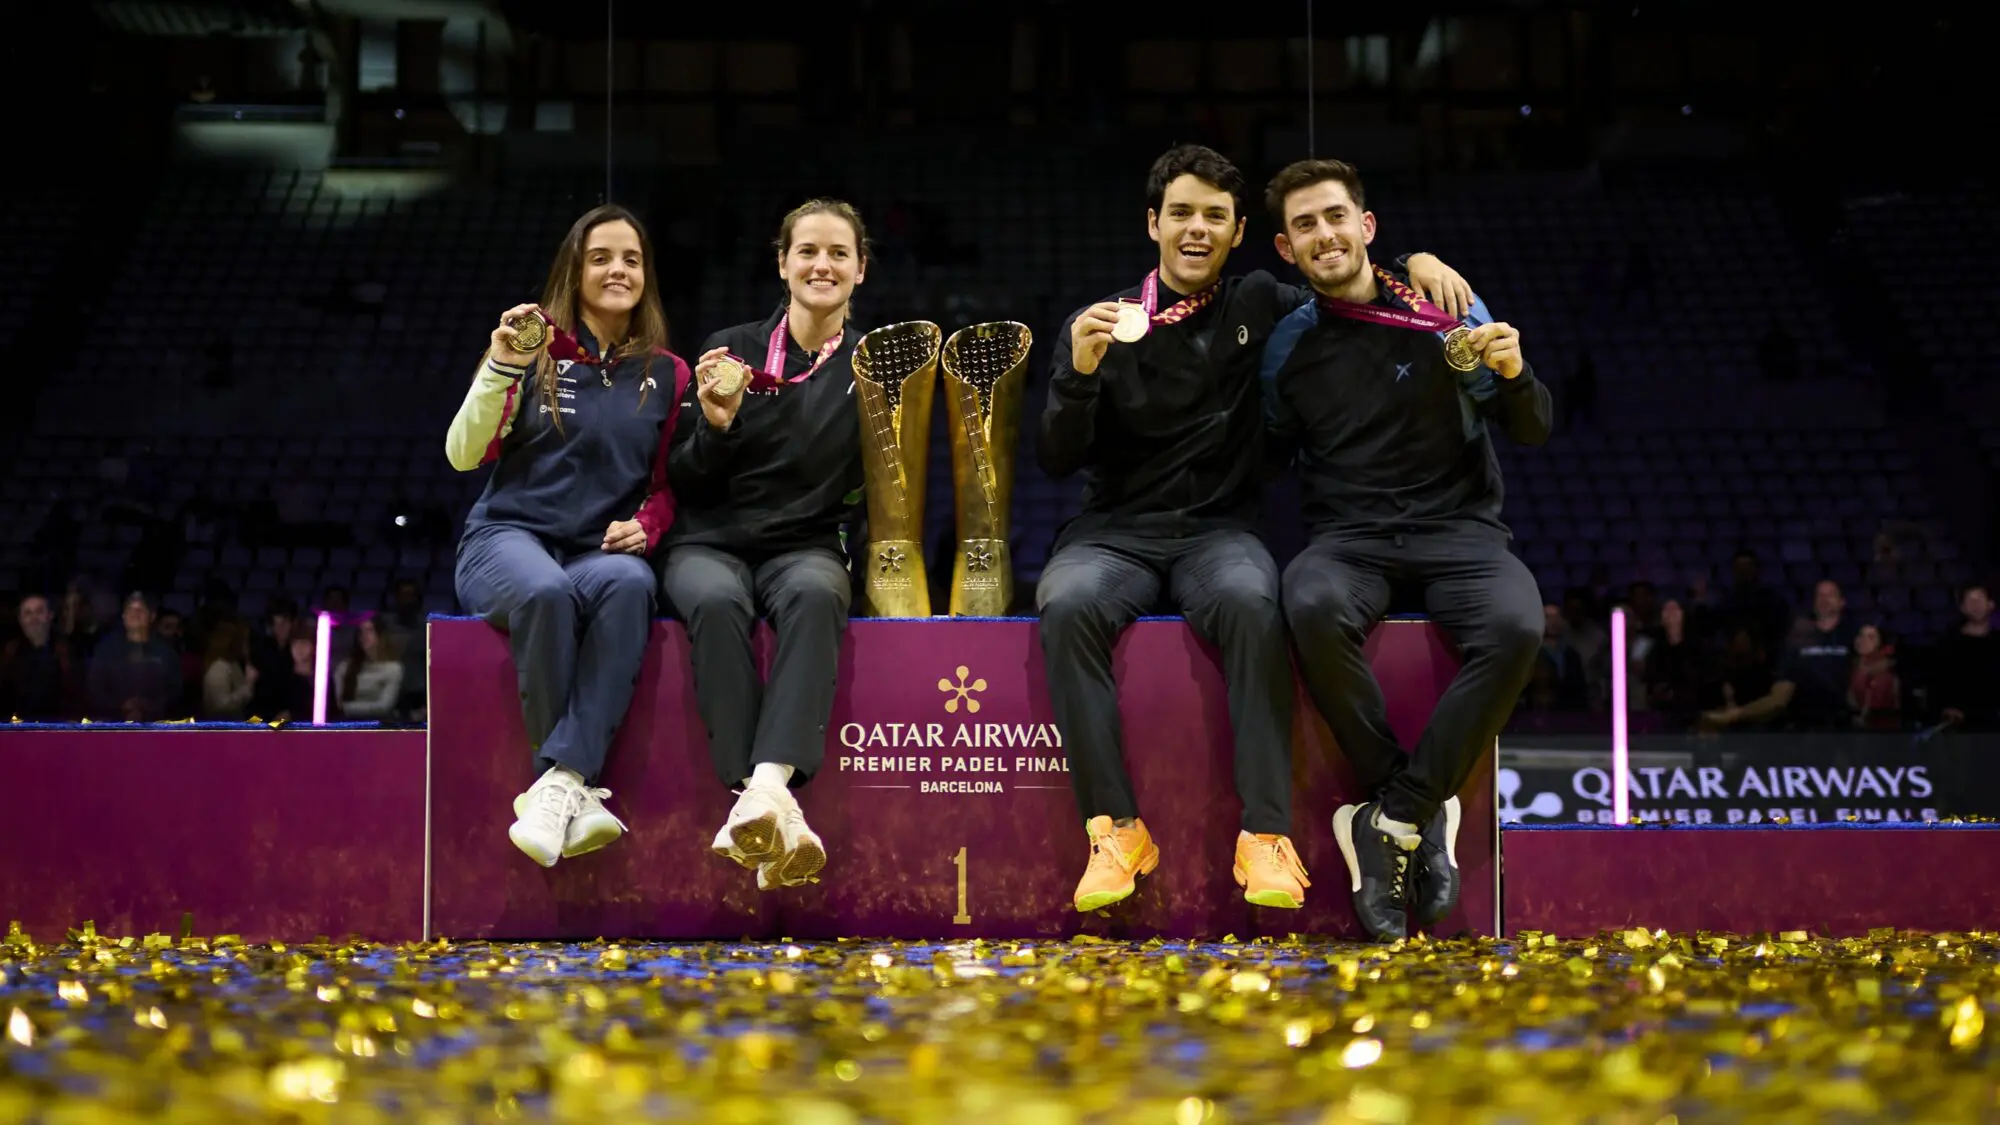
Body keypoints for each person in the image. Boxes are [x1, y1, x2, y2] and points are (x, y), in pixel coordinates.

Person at [1037, 144, 1473, 914]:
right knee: (1067, 601)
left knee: (1251, 599)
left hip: (1218, 534)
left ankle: (1266, 834)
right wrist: (1075, 373)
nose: (1196, 228)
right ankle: (1115, 831)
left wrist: (1418, 256)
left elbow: (1341, 272)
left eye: (1215, 216)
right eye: (1181, 213)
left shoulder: (1260, 301)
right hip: (1115, 532)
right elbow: (1055, 457)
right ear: (1153, 223)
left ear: (1239, 233)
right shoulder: (1101, 324)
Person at [1261, 158, 1551, 942]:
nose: (1324, 235)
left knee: (1518, 627)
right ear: (1287, 249)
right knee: (1307, 601)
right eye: (1305, 226)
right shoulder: (1289, 343)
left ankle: (1391, 817)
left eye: (1334, 216)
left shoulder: (1445, 308)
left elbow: (1532, 426)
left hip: (1460, 532)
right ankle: (1412, 802)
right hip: (1350, 541)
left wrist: (1517, 372)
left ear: (1367, 226)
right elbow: (1265, 450)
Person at [446, 203, 692, 868]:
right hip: (506, 540)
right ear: (574, 271)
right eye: (601, 257)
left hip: (594, 554)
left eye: (632, 259)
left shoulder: (669, 374)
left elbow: (673, 483)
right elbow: (464, 454)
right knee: (547, 592)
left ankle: (560, 784)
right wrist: (498, 366)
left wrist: (648, 524)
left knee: (631, 582)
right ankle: (568, 780)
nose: (618, 269)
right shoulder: (531, 351)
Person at [662, 199, 869, 891]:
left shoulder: (873, 370)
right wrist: (716, 426)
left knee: (817, 592)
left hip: (805, 546)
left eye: (839, 252)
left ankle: (760, 795)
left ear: (860, 269)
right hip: (710, 541)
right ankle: (769, 799)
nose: (822, 264)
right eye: (807, 250)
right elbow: (685, 476)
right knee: (717, 601)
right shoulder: (732, 350)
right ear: (782, 264)